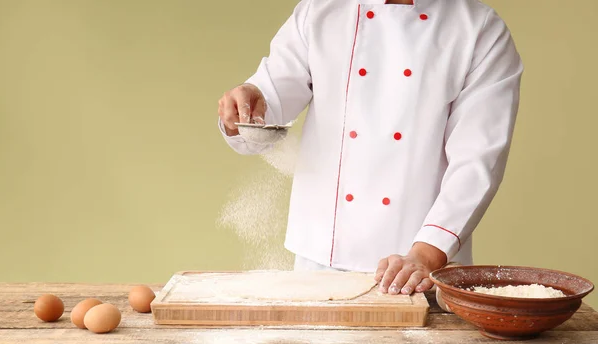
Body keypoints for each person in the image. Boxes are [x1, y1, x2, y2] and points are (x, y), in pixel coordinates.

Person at [217, 0, 523, 296]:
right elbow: (268, 102)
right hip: (319, 264)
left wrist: (427, 253)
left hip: (418, 268)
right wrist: (245, 108)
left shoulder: (479, 30)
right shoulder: (320, 11)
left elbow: (478, 160)